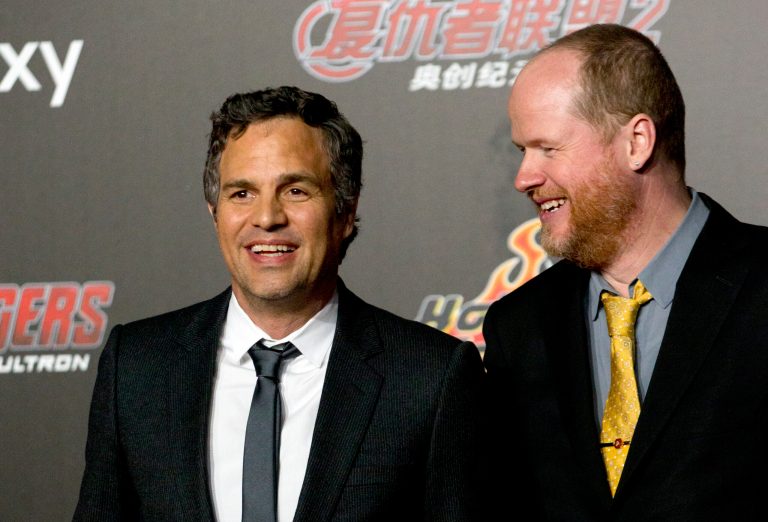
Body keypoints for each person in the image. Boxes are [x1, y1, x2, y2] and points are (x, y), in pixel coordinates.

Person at [74, 86, 485, 521]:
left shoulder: (431, 376)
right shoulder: (137, 367)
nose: (267, 217)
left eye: (295, 191)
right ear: (214, 212)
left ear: (345, 212)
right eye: (241, 194)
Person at [483, 24, 768, 520]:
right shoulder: (519, 327)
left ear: (637, 141)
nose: (524, 178)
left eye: (548, 148)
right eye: (521, 151)